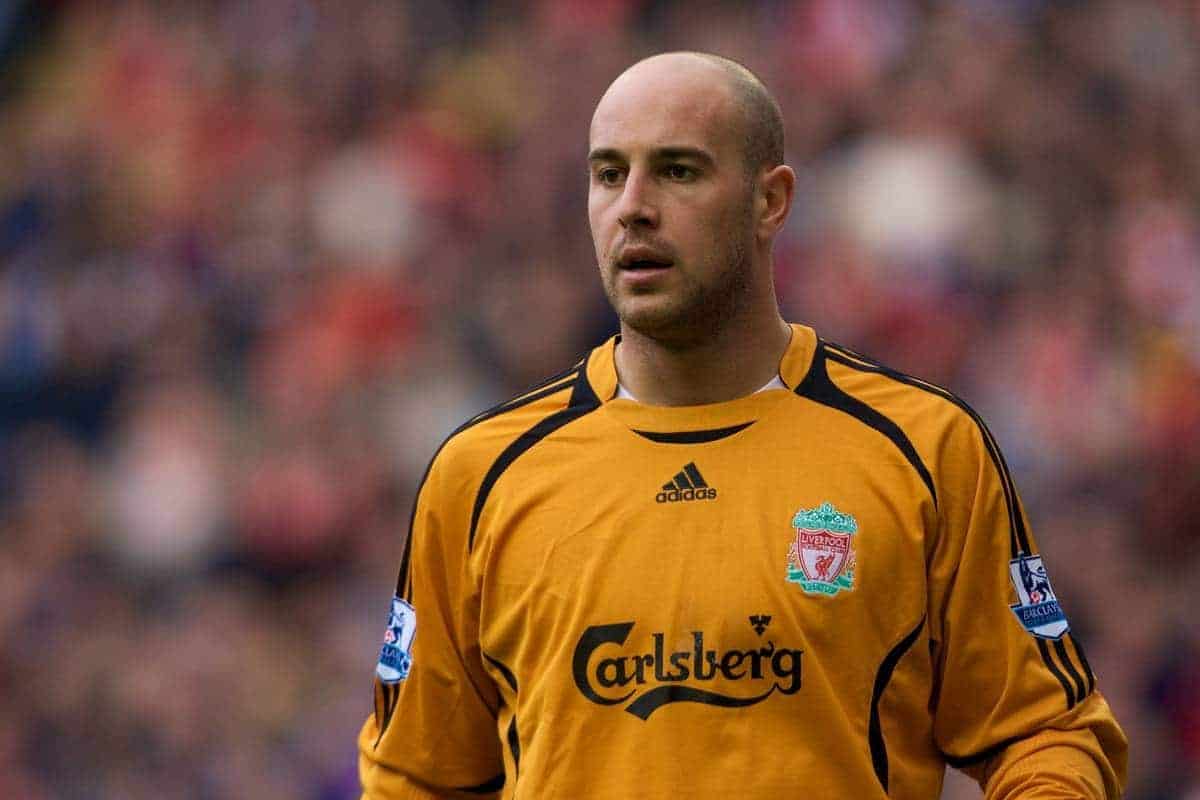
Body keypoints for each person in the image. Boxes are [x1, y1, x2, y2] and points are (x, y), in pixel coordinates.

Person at [358, 52, 1127, 799]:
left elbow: (1044, 734)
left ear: (771, 201)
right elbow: (414, 778)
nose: (633, 206)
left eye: (679, 170)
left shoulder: (924, 449)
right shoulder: (481, 475)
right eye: (608, 174)